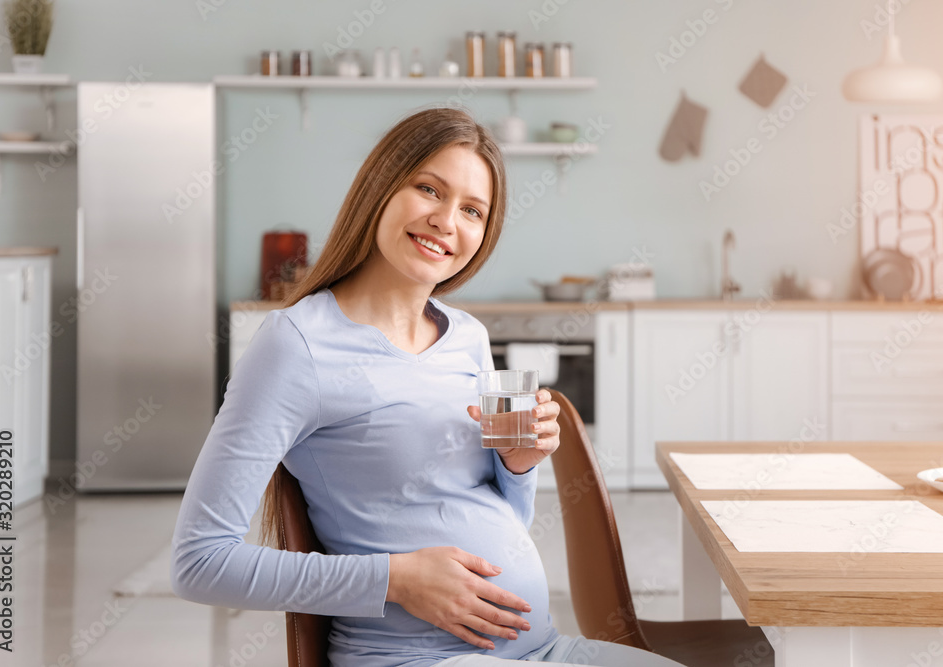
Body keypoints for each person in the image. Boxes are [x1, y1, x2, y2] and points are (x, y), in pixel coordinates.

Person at [170, 107, 684, 667]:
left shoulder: (468, 336)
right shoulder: (296, 343)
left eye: (472, 210)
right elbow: (200, 562)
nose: (446, 221)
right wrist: (396, 578)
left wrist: (518, 465)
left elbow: (500, 521)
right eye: (428, 189)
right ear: (380, 186)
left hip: (543, 650)